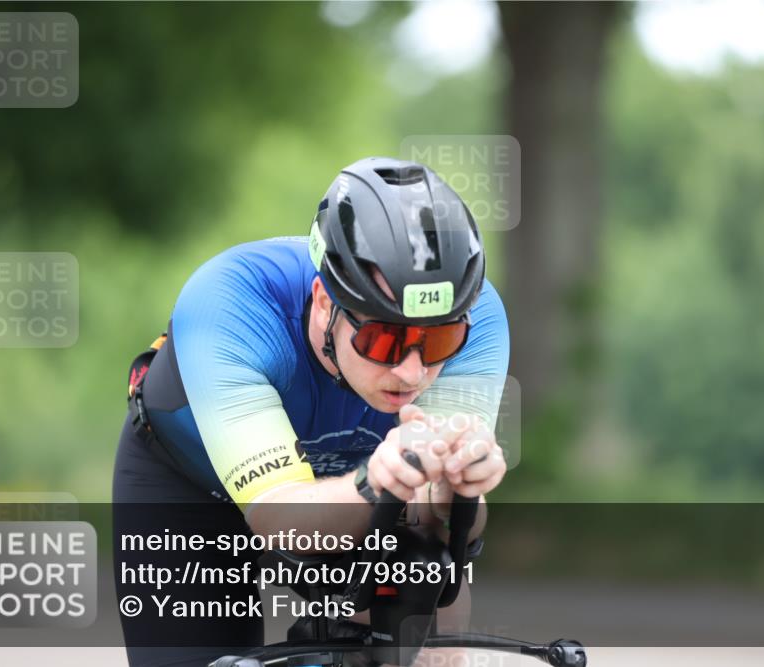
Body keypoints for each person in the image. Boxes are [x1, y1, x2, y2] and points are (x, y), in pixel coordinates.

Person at [113, 157, 510, 666]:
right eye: (384, 338)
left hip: (348, 485)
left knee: (429, 604)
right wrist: (374, 484)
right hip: (191, 488)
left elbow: (442, 531)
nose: (413, 374)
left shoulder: (479, 317)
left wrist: (459, 487)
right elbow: (281, 516)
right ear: (324, 303)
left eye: (439, 340)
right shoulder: (230, 304)